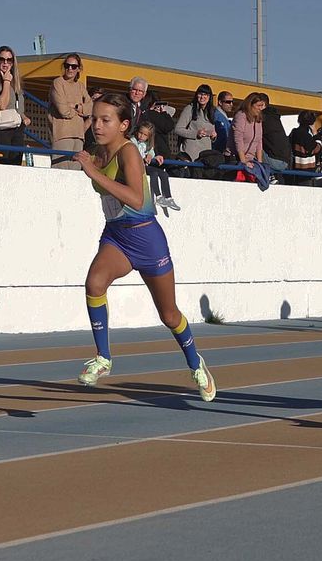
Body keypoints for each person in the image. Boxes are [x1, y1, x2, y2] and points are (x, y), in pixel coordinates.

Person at [74, 94, 216, 400]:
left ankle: (196, 364)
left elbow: (137, 200)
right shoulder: (97, 152)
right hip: (117, 236)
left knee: (169, 315)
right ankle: (103, 358)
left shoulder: (129, 152)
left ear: (124, 125)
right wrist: (92, 164)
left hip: (146, 239)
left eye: (105, 120)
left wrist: (93, 172)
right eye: (94, 119)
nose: (97, 125)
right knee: (94, 283)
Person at [0, 45, 30, 165]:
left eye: (9, 60)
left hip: (17, 127)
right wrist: (6, 81)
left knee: (16, 163)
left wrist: (24, 118)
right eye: (2, 59)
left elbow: (18, 107)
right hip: (1, 127)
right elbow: (2, 105)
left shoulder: (16, 82)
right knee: (3, 163)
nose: (5, 63)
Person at [49, 53, 90, 169]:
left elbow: (91, 107)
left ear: (78, 69)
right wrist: (80, 110)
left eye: (74, 66)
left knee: (74, 173)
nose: (70, 69)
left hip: (79, 135)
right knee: (60, 172)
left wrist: (75, 106)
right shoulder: (58, 82)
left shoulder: (81, 86)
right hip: (62, 134)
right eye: (67, 65)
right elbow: (63, 110)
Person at [173, 84, 222, 174]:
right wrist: (196, 133)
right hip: (190, 155)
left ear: (209, 97)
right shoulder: (190, 109)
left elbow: (212, 132)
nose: (202, 97)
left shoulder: (212, 111)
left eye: (205, 94)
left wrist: (214, 136)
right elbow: (178, 129)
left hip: (206, 156)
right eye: (200, 94)